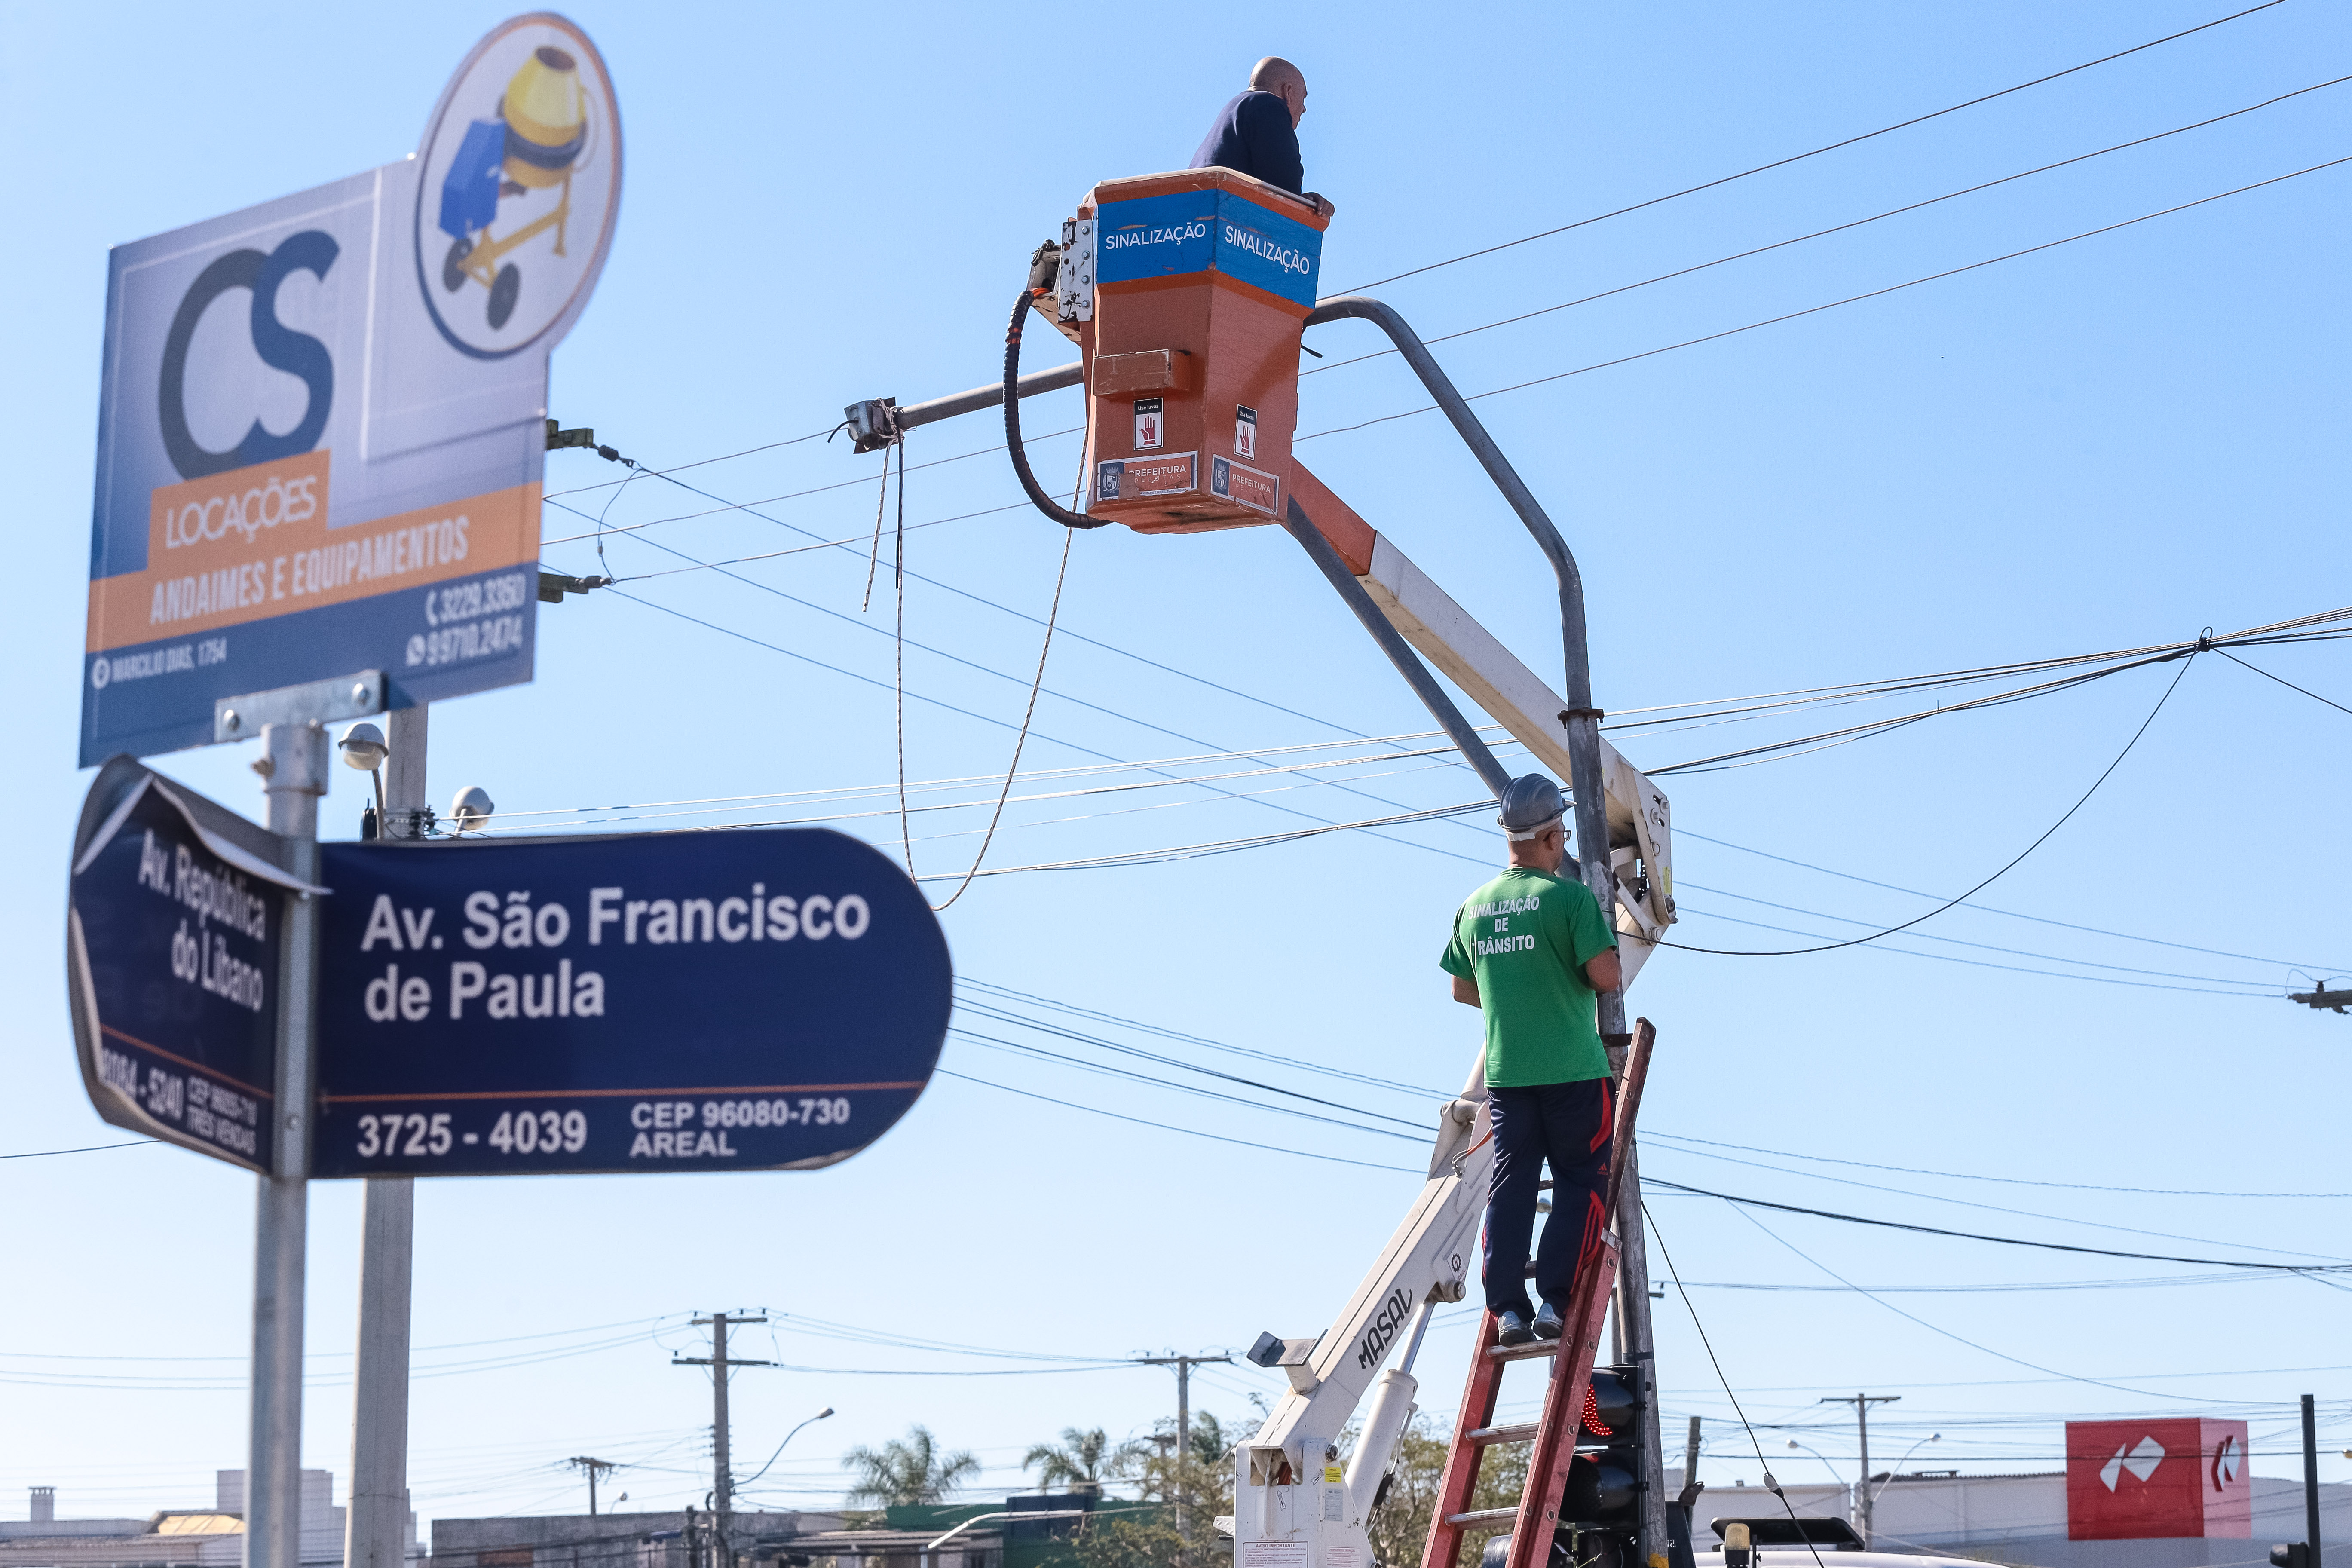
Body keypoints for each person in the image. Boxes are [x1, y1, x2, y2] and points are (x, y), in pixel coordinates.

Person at [1439, 774, 1622, 1347]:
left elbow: (1462, 990)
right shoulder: (1568, 900)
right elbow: (1607, 977)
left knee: (1511, 1187)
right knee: (1579, 1182)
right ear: (1552, 836)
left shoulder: (1474, 906)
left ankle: (1509, 1310)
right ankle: (1555, 1299)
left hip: (1510, 1078)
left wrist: (1515, 988)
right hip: (1574, 1072)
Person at [1190, 56, 1337, 218]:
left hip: (1196, 217)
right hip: (1227, 221)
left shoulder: (1236, 107)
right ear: (1288, 92)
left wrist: (1303, 200)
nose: (1304, 109)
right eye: (1303, 99)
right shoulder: (1267, 105)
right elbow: (1284, 185)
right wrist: (1310, 208)